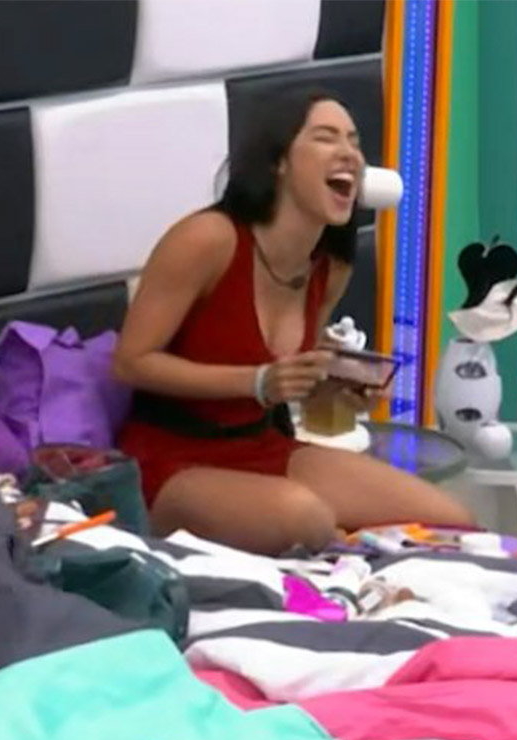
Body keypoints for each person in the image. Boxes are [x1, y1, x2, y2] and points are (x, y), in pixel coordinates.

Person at [112, 89, 473, 554]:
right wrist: (257, 381)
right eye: (326, 137)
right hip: (171, 457)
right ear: (278, 161)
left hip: (264, 444)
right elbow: (131, 362)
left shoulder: (330, 265)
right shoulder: (207, 240)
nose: (350, 153)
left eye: (354, 140)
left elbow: (291, 384)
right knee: (308, 521)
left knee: (453, 523)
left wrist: (335, 387)